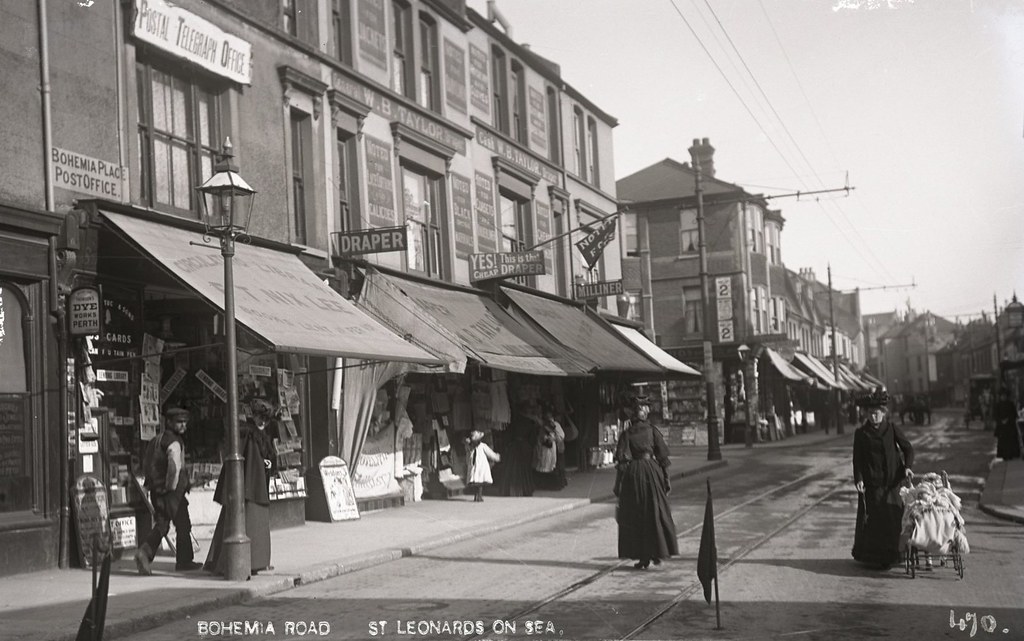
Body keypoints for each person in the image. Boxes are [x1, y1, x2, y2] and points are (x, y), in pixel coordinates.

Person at [205, 399, 277, 575]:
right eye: (260, 418)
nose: (263, 423)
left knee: (255, 523)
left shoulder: (259, 435)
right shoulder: (246, 433)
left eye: (266, 420)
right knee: (245, 523)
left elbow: (263, 457)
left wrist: (266, 465)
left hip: (255, 485)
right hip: (247, 487)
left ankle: (257, 562)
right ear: (254, 415)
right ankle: (245, 563)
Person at [852, 388, 915, 570]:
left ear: (883, 413)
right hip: (872, 485)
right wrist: (859, 479)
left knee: (893, 519)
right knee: (875, 522)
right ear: (866, 414)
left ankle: (896, 554)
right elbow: (857, 460)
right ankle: (876, 557)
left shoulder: (892, 429)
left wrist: (908, 468)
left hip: (893, 483)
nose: (874, 417)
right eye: (871, 414)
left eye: (877, 413)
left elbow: (908, 449)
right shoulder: (861, 434)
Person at [614, 394, 678, 569]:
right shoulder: (652, 431)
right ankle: (657, 551)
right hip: (652, 472)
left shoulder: (626, 434)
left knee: (637, 515)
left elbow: (622, 461)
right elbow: (663, 457)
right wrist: (666, 479)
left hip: (633, 475)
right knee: (655, 513)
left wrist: (618, 486)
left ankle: (643, 556)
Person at [135, 407, 200, 575]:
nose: (183, 425)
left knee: (163, 524)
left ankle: (145, 553)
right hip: (172, 492)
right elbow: (174, 467)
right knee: (183, 524)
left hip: (157, 490)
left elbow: (148, 464)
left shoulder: (156, 440)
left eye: (185, 422)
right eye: (179, 422)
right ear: (169, 422)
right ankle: (184, 561)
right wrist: (172, 488)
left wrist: (152, 486)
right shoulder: (174, 443)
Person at [533, 404, 566, 490]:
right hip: (544, 448)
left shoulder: (554, 424)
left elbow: (561, 436)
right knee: (545, 465)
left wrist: (553, 438)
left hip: (551, 448)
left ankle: (554, 485)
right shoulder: (542, 424)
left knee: (550, 466)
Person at [464, 430, 500, 502]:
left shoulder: (483, 446)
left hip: (481, 466)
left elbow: (490, 453)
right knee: (476, 481)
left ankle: (479, 496)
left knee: (479, 482)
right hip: (474, 466)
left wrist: (495, 457)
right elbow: (468, 455)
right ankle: (477, 496)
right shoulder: (470, 447)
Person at [994, 387, 1021, 461]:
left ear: (1007, 396)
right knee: (1003, 441)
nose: (1003, 397)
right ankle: (1003, 455)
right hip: (1002, 426)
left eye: (1005, 395)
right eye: (1002, 395)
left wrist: (1008, 419)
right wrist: (1001, 421)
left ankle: (1011, 454)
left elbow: (1014, 414)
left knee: (1010, 441)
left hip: (1010, 426)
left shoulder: (1011, 404)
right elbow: (995, 415)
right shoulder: (998, 405)